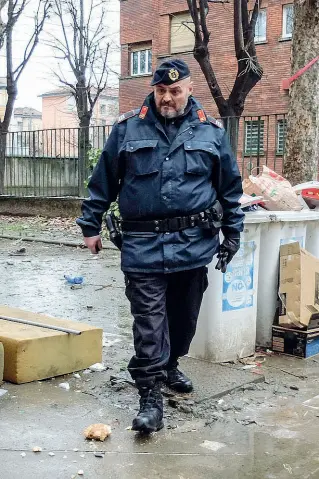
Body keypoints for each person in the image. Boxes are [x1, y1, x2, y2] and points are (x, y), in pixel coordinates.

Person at [76, 59, 244, 434]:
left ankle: (170, 365)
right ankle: (150, 395)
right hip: (142, 245)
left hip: (193, 245)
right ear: (153, 90)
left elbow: (230, 188)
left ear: (188, 88)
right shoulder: (127, 129)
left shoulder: (211, 132)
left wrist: (233, 234)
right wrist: (90, 224)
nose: (168, 98)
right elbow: (102, 180)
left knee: (183, 320)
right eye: (161, 91)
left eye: (175, 91)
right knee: (149, 324)